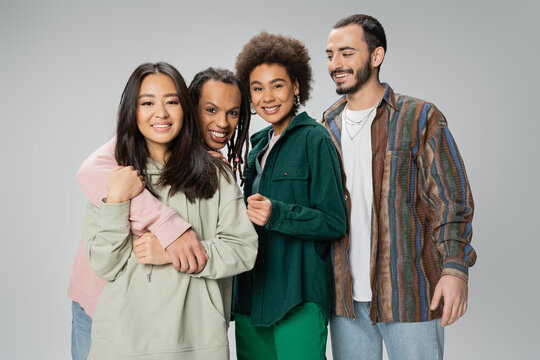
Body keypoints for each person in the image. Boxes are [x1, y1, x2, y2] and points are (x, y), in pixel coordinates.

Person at [68, 66, 252, 360]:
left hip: (196, 339)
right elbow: (104, 262)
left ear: (183, 108)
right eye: (147, 102)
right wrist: (116, 200)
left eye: (171, 101)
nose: (222, 122)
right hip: (117, 329)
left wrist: (172, 252)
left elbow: (242, 248)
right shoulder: (116, 170)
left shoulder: (218, 174)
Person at [323, 14, 476, 359]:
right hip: (345, 300)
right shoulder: (325, 127)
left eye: (347, 53)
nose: (336, 64)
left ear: (376, 56)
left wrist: (455, 269)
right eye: (330, 55)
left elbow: (450, 199)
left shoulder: (419, 117)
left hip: (409, 292)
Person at [232, 32, 347, 360]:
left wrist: (277, 214)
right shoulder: (257, 146)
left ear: (296, 86)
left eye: (277, 85)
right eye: (257, 88)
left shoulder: (316, 140)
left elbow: (334, 221)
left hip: (298, 296)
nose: (267, 96)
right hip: (251, 297)